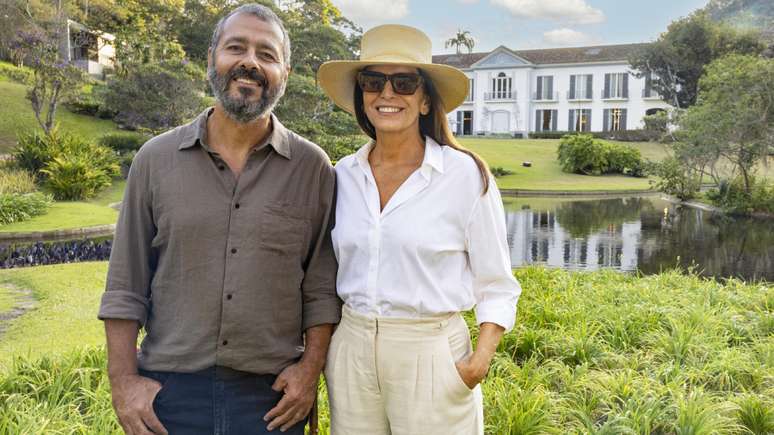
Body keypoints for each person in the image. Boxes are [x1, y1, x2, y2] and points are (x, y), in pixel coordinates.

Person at [98, 4, 340, 434]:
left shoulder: (313, 169)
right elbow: (125, 283)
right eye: (236, 47)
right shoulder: (154, 161)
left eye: (267, 54)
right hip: (168, 398)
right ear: (212, 57)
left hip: (272, 400)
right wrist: (124, 382)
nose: (250, 62)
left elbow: (321, 287)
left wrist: (309, 372)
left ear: (285, 70)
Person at [317, 24, 522, 434]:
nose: (387, 94)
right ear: (362, 95)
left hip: (431, 351)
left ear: (426, 99)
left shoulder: (464, 175)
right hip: (352, 349)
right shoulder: (343, 175)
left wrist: (477, 362)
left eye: (404, 82)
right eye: (373, 81)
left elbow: (496, 282)